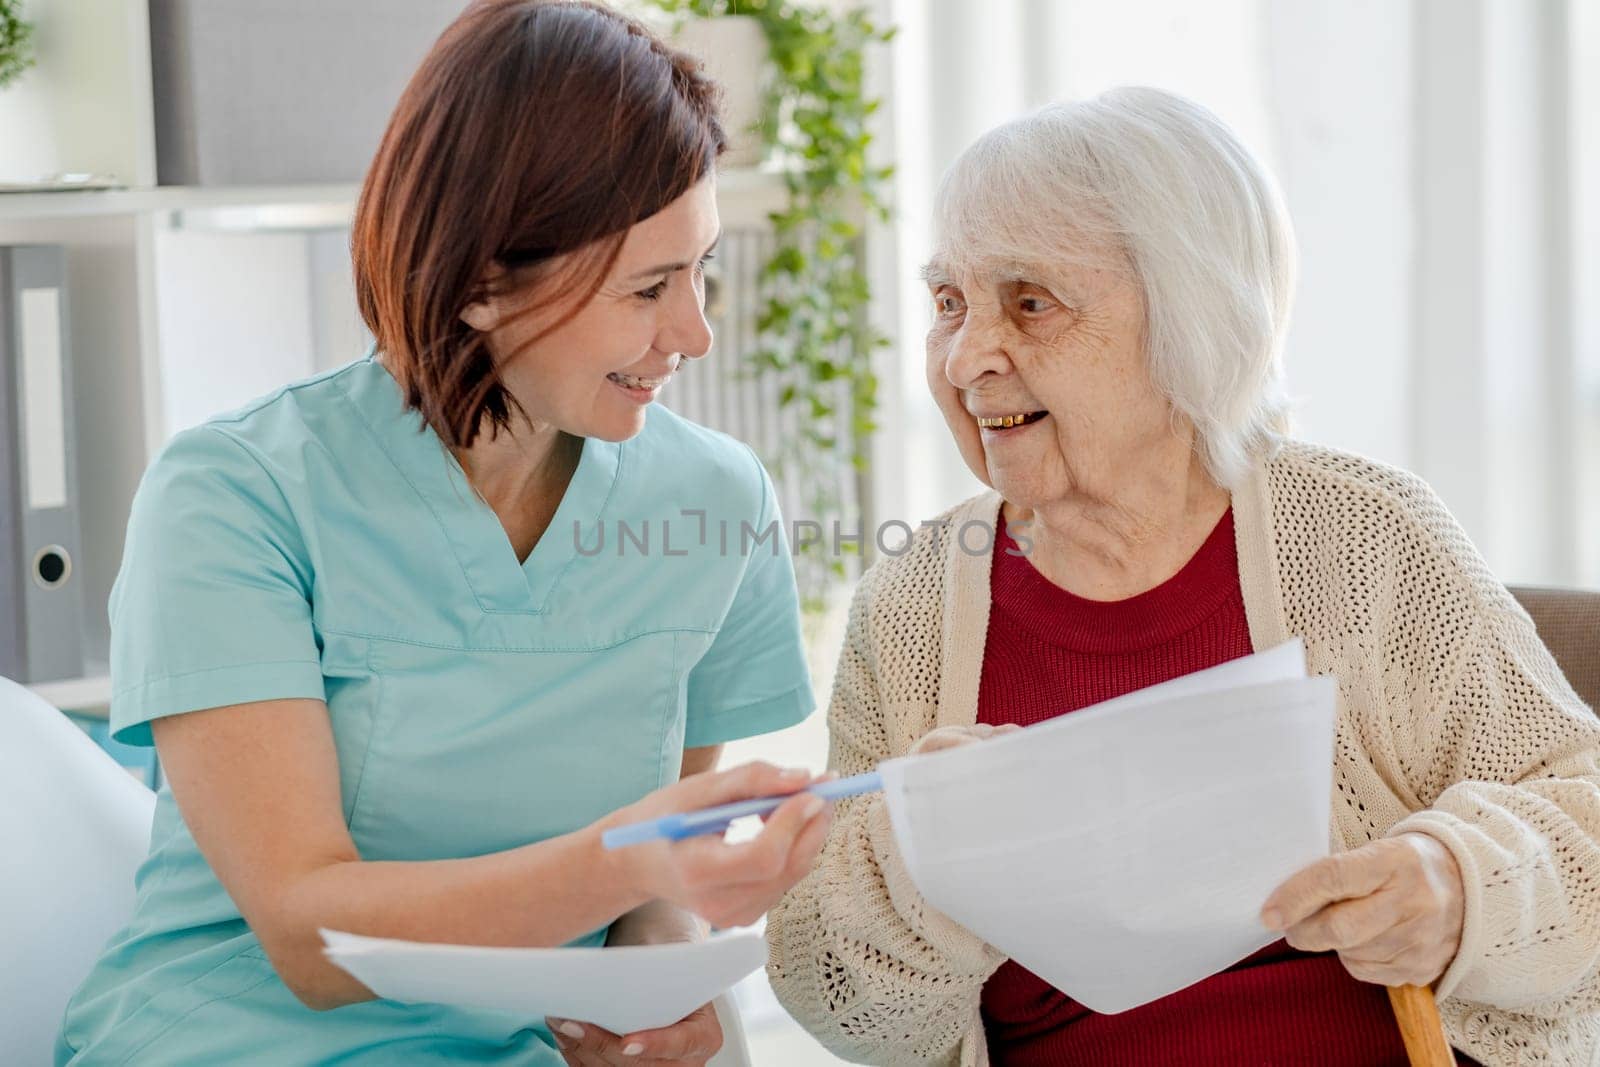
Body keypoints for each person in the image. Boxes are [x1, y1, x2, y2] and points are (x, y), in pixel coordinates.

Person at [58, 3, 830, 1063]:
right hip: (240, 1038)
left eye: (702, 270)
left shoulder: (712, 498)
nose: (692, 332)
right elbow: (312, 937)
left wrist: (647, 983)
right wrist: (634, 865)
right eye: (649, 287)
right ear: (476, 284)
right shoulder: (235, 494)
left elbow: (651, 892)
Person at [765, 87, 1600, 1065]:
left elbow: (1581, 807)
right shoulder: (913, 600)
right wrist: (924, 856)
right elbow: (843, 1010)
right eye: (948, 302)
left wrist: (1455, 885)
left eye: (1029, 303)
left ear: (1188, 319)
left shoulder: (1365, 536)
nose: (967, 354)